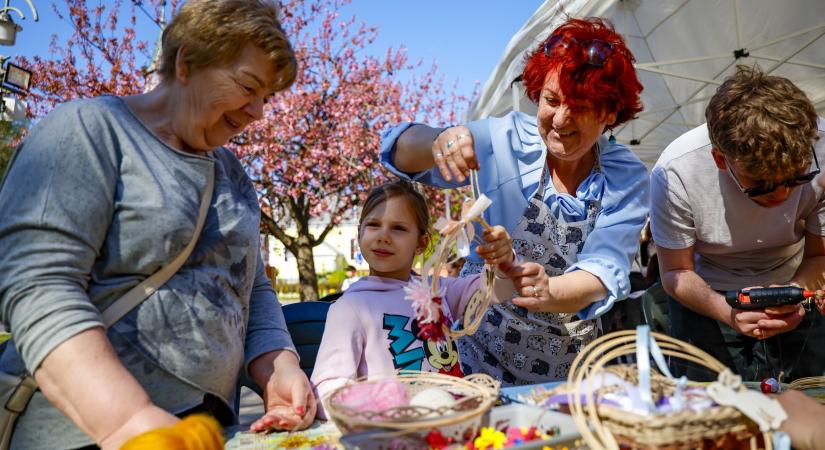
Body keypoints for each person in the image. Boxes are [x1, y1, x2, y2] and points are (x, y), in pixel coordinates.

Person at [0, 1, 315, 448]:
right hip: (86, 434)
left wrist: (278, 364)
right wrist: (127, 421)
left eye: (266, 97)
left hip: (206, 431)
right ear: (187, 62)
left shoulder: (233, 173)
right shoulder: (88, 130)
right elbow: (37, 286)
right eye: (248, 86)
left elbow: (251, 287)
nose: (258, 112)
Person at [380, 18, 648, 385]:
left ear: (610, 113)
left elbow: (602, 270)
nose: (561, 119)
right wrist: (439, 141)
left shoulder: (625, 177)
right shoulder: (504, 139)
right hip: (476, 351)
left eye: (581, 106)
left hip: (566, 364)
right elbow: (400, 150)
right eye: (552, 101)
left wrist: (549, 290)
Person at [650, 65, 825, 382]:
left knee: (808, 398)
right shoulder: (676, 171)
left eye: (796, 178)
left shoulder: (822, 149)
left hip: (798, 283)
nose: (782, 195)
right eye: (761, 185)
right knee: (708, 404)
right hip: (706, 296)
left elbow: (819, 255)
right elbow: (675, 272)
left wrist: (795, 294)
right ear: (720, 159)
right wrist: (726, 311)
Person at [311, 180, 516, 415]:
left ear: (421, 243)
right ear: (359, 233)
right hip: (398, 429)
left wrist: (504, 259)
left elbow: (499, 289)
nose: (383, 236)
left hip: (453, 423)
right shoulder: (349, 309)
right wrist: (380, 407)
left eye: (398, 228)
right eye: (374, 225)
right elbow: (326, 391)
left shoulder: (438, 290)